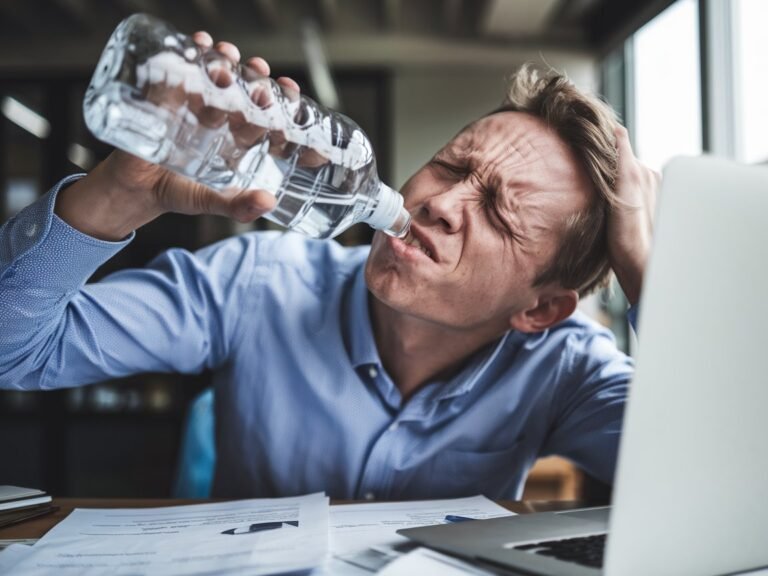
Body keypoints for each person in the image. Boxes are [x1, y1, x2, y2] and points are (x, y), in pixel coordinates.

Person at [0, 34, 657, 500]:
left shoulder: (566, 369)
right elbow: (16, 352)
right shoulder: (258, 282)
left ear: (539, 309)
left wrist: (649, 279)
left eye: (498, 212)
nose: (439, 204)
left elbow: (731, 486)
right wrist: (120, 194)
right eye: (452, 167)